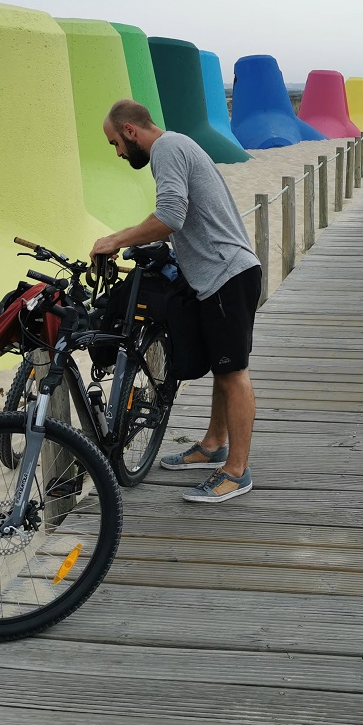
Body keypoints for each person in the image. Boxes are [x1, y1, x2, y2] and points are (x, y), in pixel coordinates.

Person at [91, 99, 261, 503]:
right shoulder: (178, 145)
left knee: (233, 373)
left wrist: (116, 239)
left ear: (130, 131)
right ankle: (213, 444)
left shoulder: (166, 149)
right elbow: (180, 220)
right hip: (222, 275)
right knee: (223, 367)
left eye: (115, 143)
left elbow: (170, 216)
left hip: (227, 274)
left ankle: (237, 472)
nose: (118, 153)